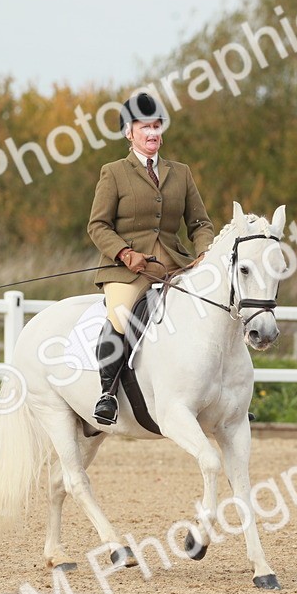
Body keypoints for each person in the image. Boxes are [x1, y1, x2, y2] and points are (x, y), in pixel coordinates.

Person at [86, 91, 216, 424]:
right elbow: (98, 225)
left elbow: (200, 223)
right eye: (145, 127)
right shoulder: (113, 172)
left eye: (157, 125)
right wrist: (124, 253)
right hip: (128, 271)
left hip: (175, 266)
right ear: (128, 133)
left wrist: (204, 253)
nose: (153, 132)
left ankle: (222, 395)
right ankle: (107, 394)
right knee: (120, 317)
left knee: (214, 310)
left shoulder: (181, 172)